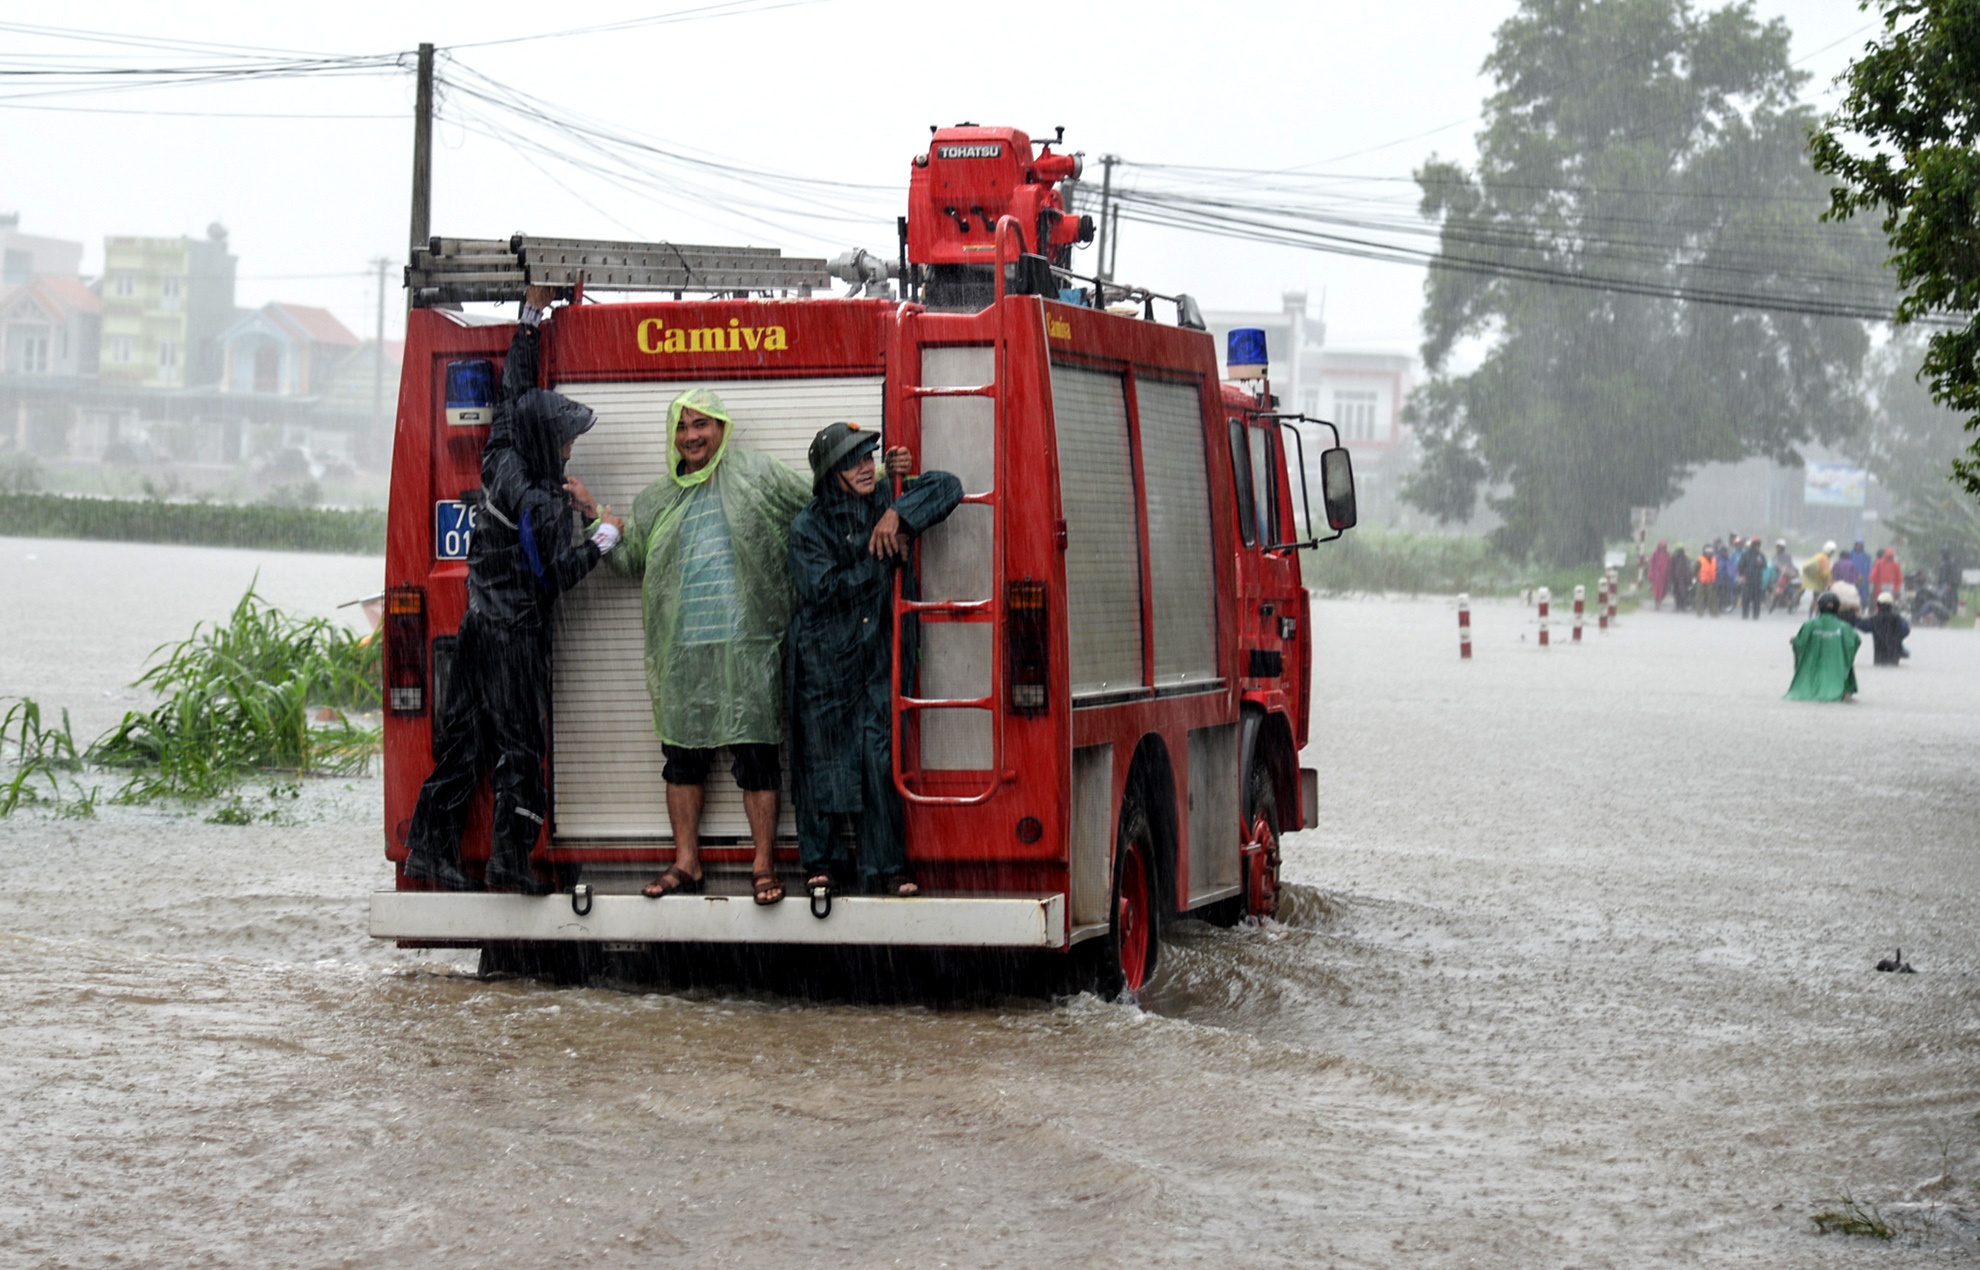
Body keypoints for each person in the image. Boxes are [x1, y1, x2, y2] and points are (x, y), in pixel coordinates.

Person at [403, 287, 624, 894]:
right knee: (522, 751)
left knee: (466, 740)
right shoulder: (545, 505)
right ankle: (509, 860)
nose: (571, 445)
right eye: (566, 438)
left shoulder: (499, 459)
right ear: (548, 443)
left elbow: (510, 400)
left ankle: (428, 848)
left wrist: (530, 321)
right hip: (515, 638)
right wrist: (604, 536)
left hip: (476, 624)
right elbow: (553, 576)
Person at [613, 388, 813, 905]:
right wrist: (597, 522)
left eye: (702, 425)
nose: (692, 436)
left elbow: (819, 502)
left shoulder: (759, 476)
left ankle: (764, 864)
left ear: (722, 429)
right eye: (683, 426)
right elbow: (631, 561)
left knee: (758, 758)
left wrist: (877, 477)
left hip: (750, 648)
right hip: (683, 654)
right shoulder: (659, 498)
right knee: (682, 759)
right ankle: (687, 863)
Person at [787, 423, 963, 899]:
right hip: (824, 660)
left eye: (869, 457)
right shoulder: (808, 526)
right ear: (830, 473)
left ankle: (886, 866)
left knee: (879, 759)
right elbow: (824, 590)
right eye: (852, 461)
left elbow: (949, 486)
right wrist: (883, 561)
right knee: (819, 760)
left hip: (881, 655)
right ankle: (821, 863)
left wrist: (899, 514)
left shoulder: (890, 494)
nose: (865, 468)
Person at [1786, 591, 1861, 702]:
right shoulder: (1844, 627)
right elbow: (1854, 643)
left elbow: (1800, 644)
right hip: (1836, 675)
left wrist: (1794, 641)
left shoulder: (1809, 625)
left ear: (1819, 606)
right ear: (1837, 607)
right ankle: (1844, 692)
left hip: (1811, 675)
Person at [1855, 591, 1911, 666]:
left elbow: (1862, 626)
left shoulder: (1874, 620)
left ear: (1877, 605)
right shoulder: (1899, 620)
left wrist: (1852, 616)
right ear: (1892, 605)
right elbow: (1906, 630)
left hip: (1879, 658)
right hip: (1894, 658)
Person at [1737, 536, 1766, 619]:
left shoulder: (1761, 555)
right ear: (1752, 545)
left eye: (1758, 545)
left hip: (1757, 581)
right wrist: (1742, 576)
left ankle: (1756, 616)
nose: (1757, 547)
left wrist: (1761, 564)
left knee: (1757, 600)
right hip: (1747, 580)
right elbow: (1740, 567)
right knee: (1746, 599)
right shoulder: (1746, 555)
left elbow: (1765, 566)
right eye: (1756, 545)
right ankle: (1745, 615)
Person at [1802, 542, 1835, 614]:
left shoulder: (1819, 556)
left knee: (1814, 599)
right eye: (1832, 552)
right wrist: (1830, 580)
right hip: (1821, 584)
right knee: (1819, 601)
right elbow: (1825, 572)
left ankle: (1810, 615)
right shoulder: (1825, 559)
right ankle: (1817, 615)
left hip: (1816, 583)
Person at [1647, 539, 1671, 609]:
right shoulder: (1655, 554)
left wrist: (1668, 576)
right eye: (1661, 546)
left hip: (1663, 577)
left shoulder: (1667, 555)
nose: (1662, 548)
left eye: (1663, 547)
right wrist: (1651, 574)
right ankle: (1656, 604)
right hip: (1656, 576)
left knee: (1662, 591)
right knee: (1655, 590)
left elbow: (1669, 566)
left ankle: (1659, 603)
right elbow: (1651, 564)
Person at [1668, 543, 1691, 612]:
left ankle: (1680, 606)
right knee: (1679, 592)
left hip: (1680, 578)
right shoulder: (1677, 557)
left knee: (1680, 592)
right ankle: (1680, 606)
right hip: (1679, 578)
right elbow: (1672, 568)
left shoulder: (1683, 557)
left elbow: (1687, 567)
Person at [1694, 547, 1717, 616]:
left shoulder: (1714, 560)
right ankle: (1700, 614)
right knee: (1700, 599)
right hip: (1701, 582)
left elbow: (1716, 570)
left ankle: (1713, 614)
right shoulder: (1700, 560)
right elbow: (1694, 569)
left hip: (1711, 582)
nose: (1709, 553)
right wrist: (1696, 577)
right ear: (1705, 552)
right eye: (1708, 552)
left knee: (1712, 599)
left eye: (1710, 552)